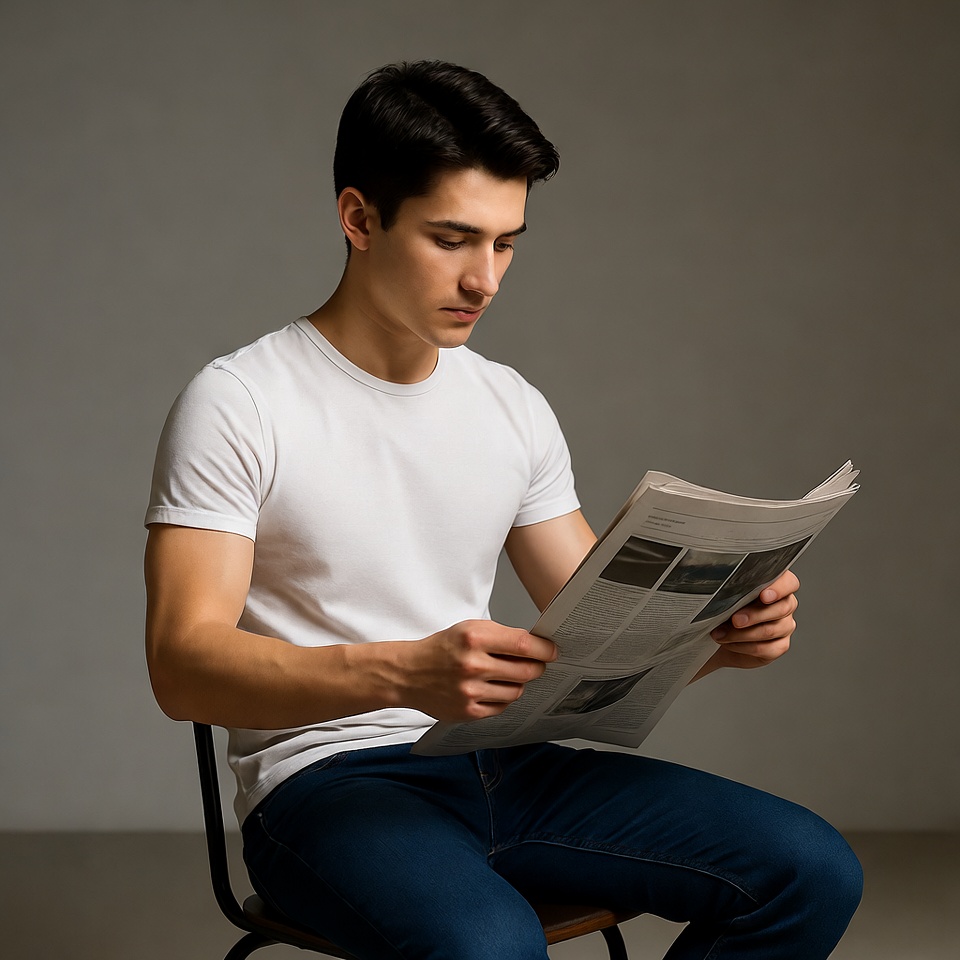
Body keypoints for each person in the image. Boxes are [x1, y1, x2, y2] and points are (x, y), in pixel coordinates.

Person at [144, 60, 862, 959]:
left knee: (809, 869)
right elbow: (181, 667)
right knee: (488, 944)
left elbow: (600, 651)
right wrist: (406, 675)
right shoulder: (241, 400)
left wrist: (716, 641)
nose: (485, 279)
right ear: (359, 218)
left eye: (506, 242)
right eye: (452, 239)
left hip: (504, 762)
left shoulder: (509, 403)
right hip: (325, 786)